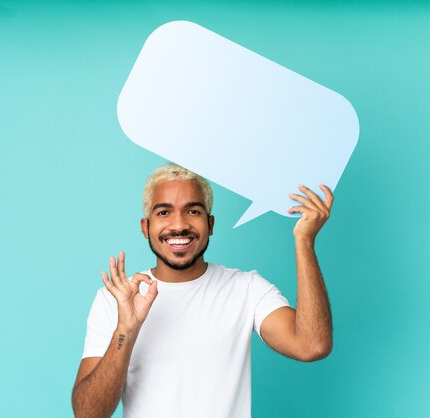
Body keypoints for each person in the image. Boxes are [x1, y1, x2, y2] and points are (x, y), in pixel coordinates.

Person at [71, 163, 334, 418]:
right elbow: (87, 414)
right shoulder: (115, 300)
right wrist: (125, 330)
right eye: (164, 212)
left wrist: (305, 241)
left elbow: (312, 345)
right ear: (145, 227)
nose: (178, 225)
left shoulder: (246, 289)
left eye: (192, 211)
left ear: (210, 224)